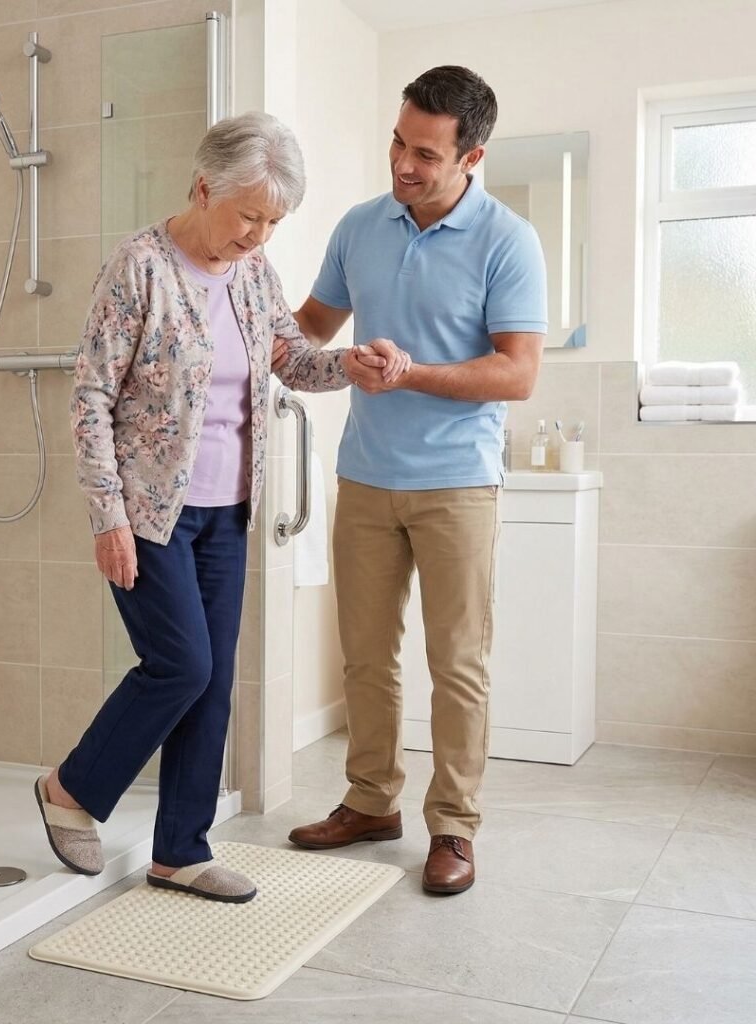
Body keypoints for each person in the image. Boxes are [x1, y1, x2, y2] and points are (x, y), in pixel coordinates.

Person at [34, 112, 409, 904]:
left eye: (274, 223)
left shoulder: (253, 276)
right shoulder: (139, 267)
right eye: (250, 217)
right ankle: (70, 787)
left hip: (227, 510)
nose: (260, 236)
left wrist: (353, 365)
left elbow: (292, 361)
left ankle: (181, 849)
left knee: (212, 682)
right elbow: (91, 395)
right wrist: (106, 514)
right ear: (202, 187)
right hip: (149, 512)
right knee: (181, 665)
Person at [283, 66, 547, 894]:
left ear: (472, 156)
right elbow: (303, 333)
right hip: (363, 476)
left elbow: (518, 374)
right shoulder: (360, 227)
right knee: (365, 657)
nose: (403, 163)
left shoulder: (509, 240)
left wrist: (410, 375)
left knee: (456, 663)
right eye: (399, 142)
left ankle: (454, 828)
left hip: (458, 484)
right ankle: (370, 802)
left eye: (425, 153)